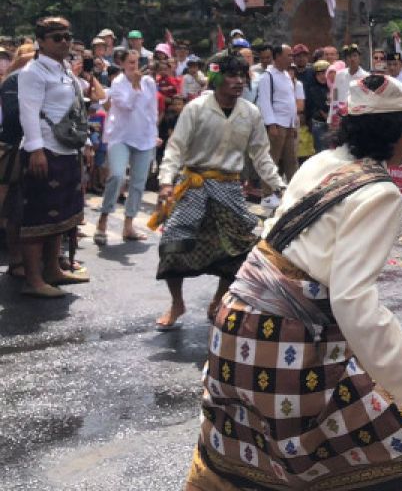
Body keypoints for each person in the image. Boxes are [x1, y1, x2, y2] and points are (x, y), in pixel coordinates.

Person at [185, 74, 402, 490]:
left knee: (243, 457)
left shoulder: (320, 162)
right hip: (285, 343)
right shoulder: (379, 193)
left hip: (234, 328)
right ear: (395, 131)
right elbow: (354, 303)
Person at [150, 50, 286, 329]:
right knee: (172, 244)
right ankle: (177, 303)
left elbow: (261, 156)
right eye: (231, 75)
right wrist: (165, 182)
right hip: (194, 186)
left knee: (238, 251)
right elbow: (176, 148)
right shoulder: (196, 108)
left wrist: (280, 187)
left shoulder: (250, 113)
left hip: (229, 188)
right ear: (216, 78)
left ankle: (218, 300)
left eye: (242, 76)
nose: (238, 81)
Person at [18, 17, 92, 297]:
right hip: (45, 151)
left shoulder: (63, 70)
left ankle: (53, 269)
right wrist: (36, 150)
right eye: (57, 37)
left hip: (67, 150)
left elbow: (78, 106)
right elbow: (29, 112)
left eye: (67, 36)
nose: (64, 41)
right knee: (39, 216)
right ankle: (33, 280)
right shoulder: (33, 72)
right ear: (41, 41)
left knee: (61, 215)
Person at [95, 48, 155, 245]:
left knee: (138, 182)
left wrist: (154, 134)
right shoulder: (118, 83)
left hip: (144, 138)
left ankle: (129, 224)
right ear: (121, 64)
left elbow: (152, 110)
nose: (134, 66)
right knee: (117, 175)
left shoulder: (149, 82)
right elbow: (127, 106)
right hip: (120, 136)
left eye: (136, 62)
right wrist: (136, 86)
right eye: (130, 62)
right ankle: (103, 218)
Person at [1, 44, 35, 278]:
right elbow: (13, 118)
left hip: (34, 148)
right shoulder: (12, 83)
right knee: (10, 201)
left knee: (31, 205)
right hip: (11, 148)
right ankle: (15, 258)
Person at [257, 44, 300, 195]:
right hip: (276, 125)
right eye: (288, 55)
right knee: (272, 160)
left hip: (288, 124)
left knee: (291, 160)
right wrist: (271, 124)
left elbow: (290, 100)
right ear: (277, 57)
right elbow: (265, 102)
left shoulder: (287, 75)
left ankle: (294, 192)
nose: (291, 58)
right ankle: (267, 193)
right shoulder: (267, 77)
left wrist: (293, 123)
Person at [332, 44, 368, 115]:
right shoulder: (339, 74)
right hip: (341, 114)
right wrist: (333, 113)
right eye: (349, 56)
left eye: (355, 55)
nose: (352, 59)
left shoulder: (366, 76)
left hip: (358, 114)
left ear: (359, 58)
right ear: (345, 59)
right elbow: (335, 94)